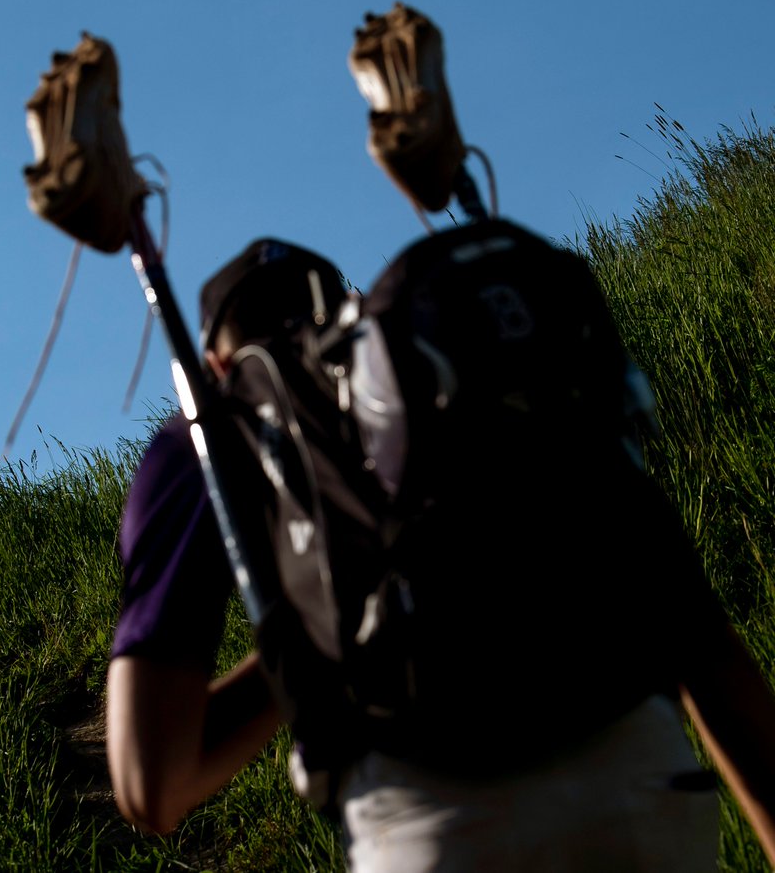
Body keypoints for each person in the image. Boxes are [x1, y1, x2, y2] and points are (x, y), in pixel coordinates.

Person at [105, 238, 775, 871]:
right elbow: (702, 642)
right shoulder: (489, 370)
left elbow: (152, 785)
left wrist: (320, 631)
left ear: (217, 367)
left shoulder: (210, 433)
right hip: (645, 788)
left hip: (439, 830)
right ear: (354, 315)